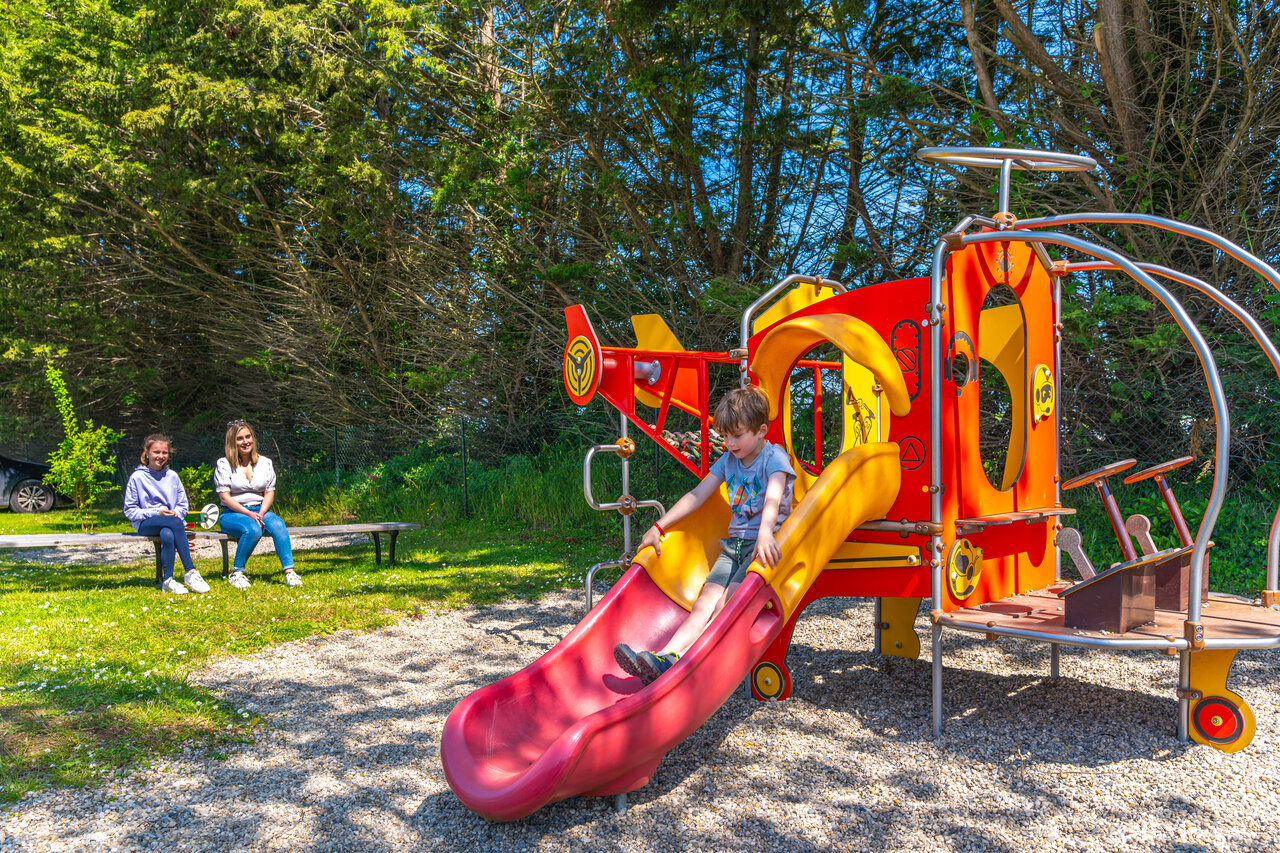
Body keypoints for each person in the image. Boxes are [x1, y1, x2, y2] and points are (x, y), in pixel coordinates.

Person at [615, 386, 794, 684]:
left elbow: (774, 496)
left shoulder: (773, 458)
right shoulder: (728, 461)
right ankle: (665, 657)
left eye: (737, 435)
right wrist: (659, 526)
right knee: (703, 602)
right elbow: (697, 495)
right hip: (734, 545)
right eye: (725, 436)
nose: (730, 443)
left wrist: (765, 533)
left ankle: (689, 662)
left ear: (761, 430)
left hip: (762, 549)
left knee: (726, 603)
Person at [214, 419, 301, 589]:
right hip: (232, 513)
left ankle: (290, 572)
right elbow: (225, 497)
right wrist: (249, 514)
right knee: (253, 529)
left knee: (278, 524)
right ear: (232, 443)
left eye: (248, 437)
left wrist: (260, 513)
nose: (245, 442)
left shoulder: (265, 462)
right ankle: (236, 573)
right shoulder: (223, 464)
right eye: (240, 439)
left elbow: (269, 492)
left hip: (259, 510)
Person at [123, 434, 210, 595]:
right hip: (145, 523)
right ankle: (190, 571)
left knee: (168, 534)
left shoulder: (173, 476)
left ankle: (168, 580)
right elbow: (130, 510)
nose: (160, 456)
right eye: (156, 452)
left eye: (164, 453)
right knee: (175, 523)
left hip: (170, 522)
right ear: (147, 453)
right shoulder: (137, 477)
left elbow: (183, 505)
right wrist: (157, 512)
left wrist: (175, 512)